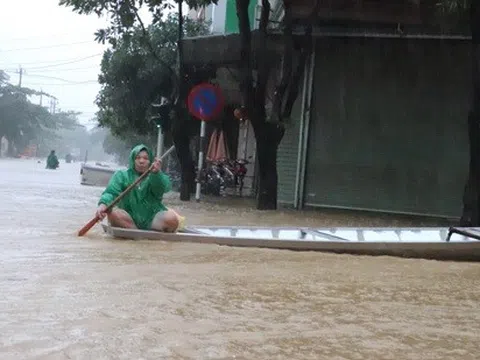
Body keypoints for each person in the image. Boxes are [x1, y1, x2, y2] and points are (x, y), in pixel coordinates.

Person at [95, 144, 181, 232]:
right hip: (127, 219)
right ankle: (137, 234)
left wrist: (156, 174)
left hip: (152, 219)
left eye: (145, 158)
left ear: (150, 161)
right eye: (138, 158)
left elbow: (164, 188)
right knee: (112, 213)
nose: (141, 161)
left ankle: (140, 234)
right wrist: (103, 205)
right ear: (133, 160)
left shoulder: (157, 175)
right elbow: (110, 193)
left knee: (172, 219)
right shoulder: (121, 175)